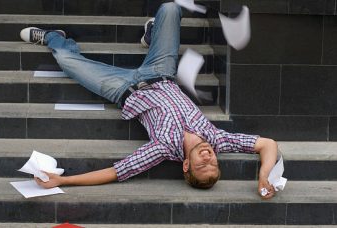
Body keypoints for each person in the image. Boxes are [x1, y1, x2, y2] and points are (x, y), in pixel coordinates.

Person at [20, 2, 278, 199]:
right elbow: (267, 144)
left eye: (202, 165)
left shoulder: (163, 148)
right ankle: (153, 35)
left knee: (67, 61)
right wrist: (263, 175)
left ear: (186, 165)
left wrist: (63, 181)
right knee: (170, 8)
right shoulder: (217, 138)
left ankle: (54, 37)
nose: (209, 159)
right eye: (213, 164)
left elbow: (116, 172)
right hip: (161, 71)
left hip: (121, 88)